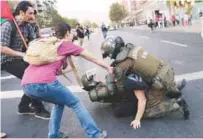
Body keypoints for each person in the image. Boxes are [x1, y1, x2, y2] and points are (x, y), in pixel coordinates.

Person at [21, 22, 112, 138]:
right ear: (67, 33)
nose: (73, 34)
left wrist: (69, 69)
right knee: (75, 103)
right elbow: (92, 58)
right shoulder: (66, 44)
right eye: (71, 32)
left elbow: (51, 69)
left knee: (58, 103)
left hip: (26, 85)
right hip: (45, 83)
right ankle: (95, 134)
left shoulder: (49, 45)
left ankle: (54, 135)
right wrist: (108, 67)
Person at [81, 36, 189, 129]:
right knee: (149, 76)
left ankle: (176, 104)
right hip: (167, 71)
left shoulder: (122, 64)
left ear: (112, 51)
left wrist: (113, 80)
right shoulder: (132, 48)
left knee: (147, 111)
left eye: (109, 54)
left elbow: (121, 87)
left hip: (160, 81)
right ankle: (173, 88)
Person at [0, 1, 50, 119]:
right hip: (6, 59)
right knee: (32, 79)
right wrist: (21, 54)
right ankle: (38, 108)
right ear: (21, 13)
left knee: (39, 74)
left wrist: (35, 26)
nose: (33, 15)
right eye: (30, 13)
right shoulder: (8, 25)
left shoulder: (27, 25)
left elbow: (34, 42)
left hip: (21, 57)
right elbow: (1, 47)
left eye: (34, 13)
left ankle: (23, 107)